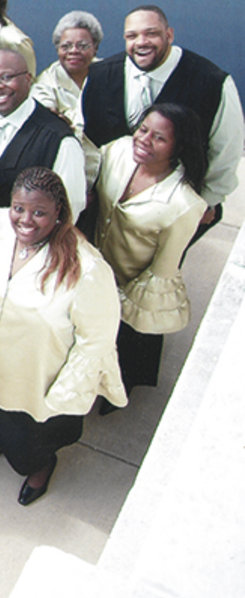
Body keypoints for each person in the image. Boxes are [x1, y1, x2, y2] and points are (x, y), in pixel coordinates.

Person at [0, 167, 127, 506]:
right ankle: (6, 440)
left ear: (60, 215)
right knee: (5, 414)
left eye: (39, 212)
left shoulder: (87, 269)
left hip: (43, 379)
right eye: (18, 208)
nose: (25, 220)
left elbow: (95, 341)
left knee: (32, 441)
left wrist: (63, 396)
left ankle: (40, 465)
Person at [79, 4, 243, 234]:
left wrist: (204, 203)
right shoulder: (98, 76)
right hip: (106, 206)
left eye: (151, 33)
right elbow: (88, 141)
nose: (141, 42)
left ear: (169, 35)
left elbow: (226, 151)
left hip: (173, 212)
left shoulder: (213, 83)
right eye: (132, 36)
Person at [94, 104, 208, 400]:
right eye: (143, 129)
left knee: (124, 350)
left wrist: (121, 301)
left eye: (159, 138)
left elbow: (164, 269)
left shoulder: (185, 204)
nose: (144, 139)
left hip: (132, 288)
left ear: (178, 147)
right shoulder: (117, 151)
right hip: (94, 272)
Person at [0, 50, 86, 217]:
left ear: (28, 79)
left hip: (25, 238)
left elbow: (70, 207)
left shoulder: (59, 138)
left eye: (6, 78)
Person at [32, 10, 103, 119]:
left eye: (82, 46)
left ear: (95, 48)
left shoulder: (109, 74)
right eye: (66, 46)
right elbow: (45, 122)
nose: (74, 51)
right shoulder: (44, 84)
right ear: (57, 49)